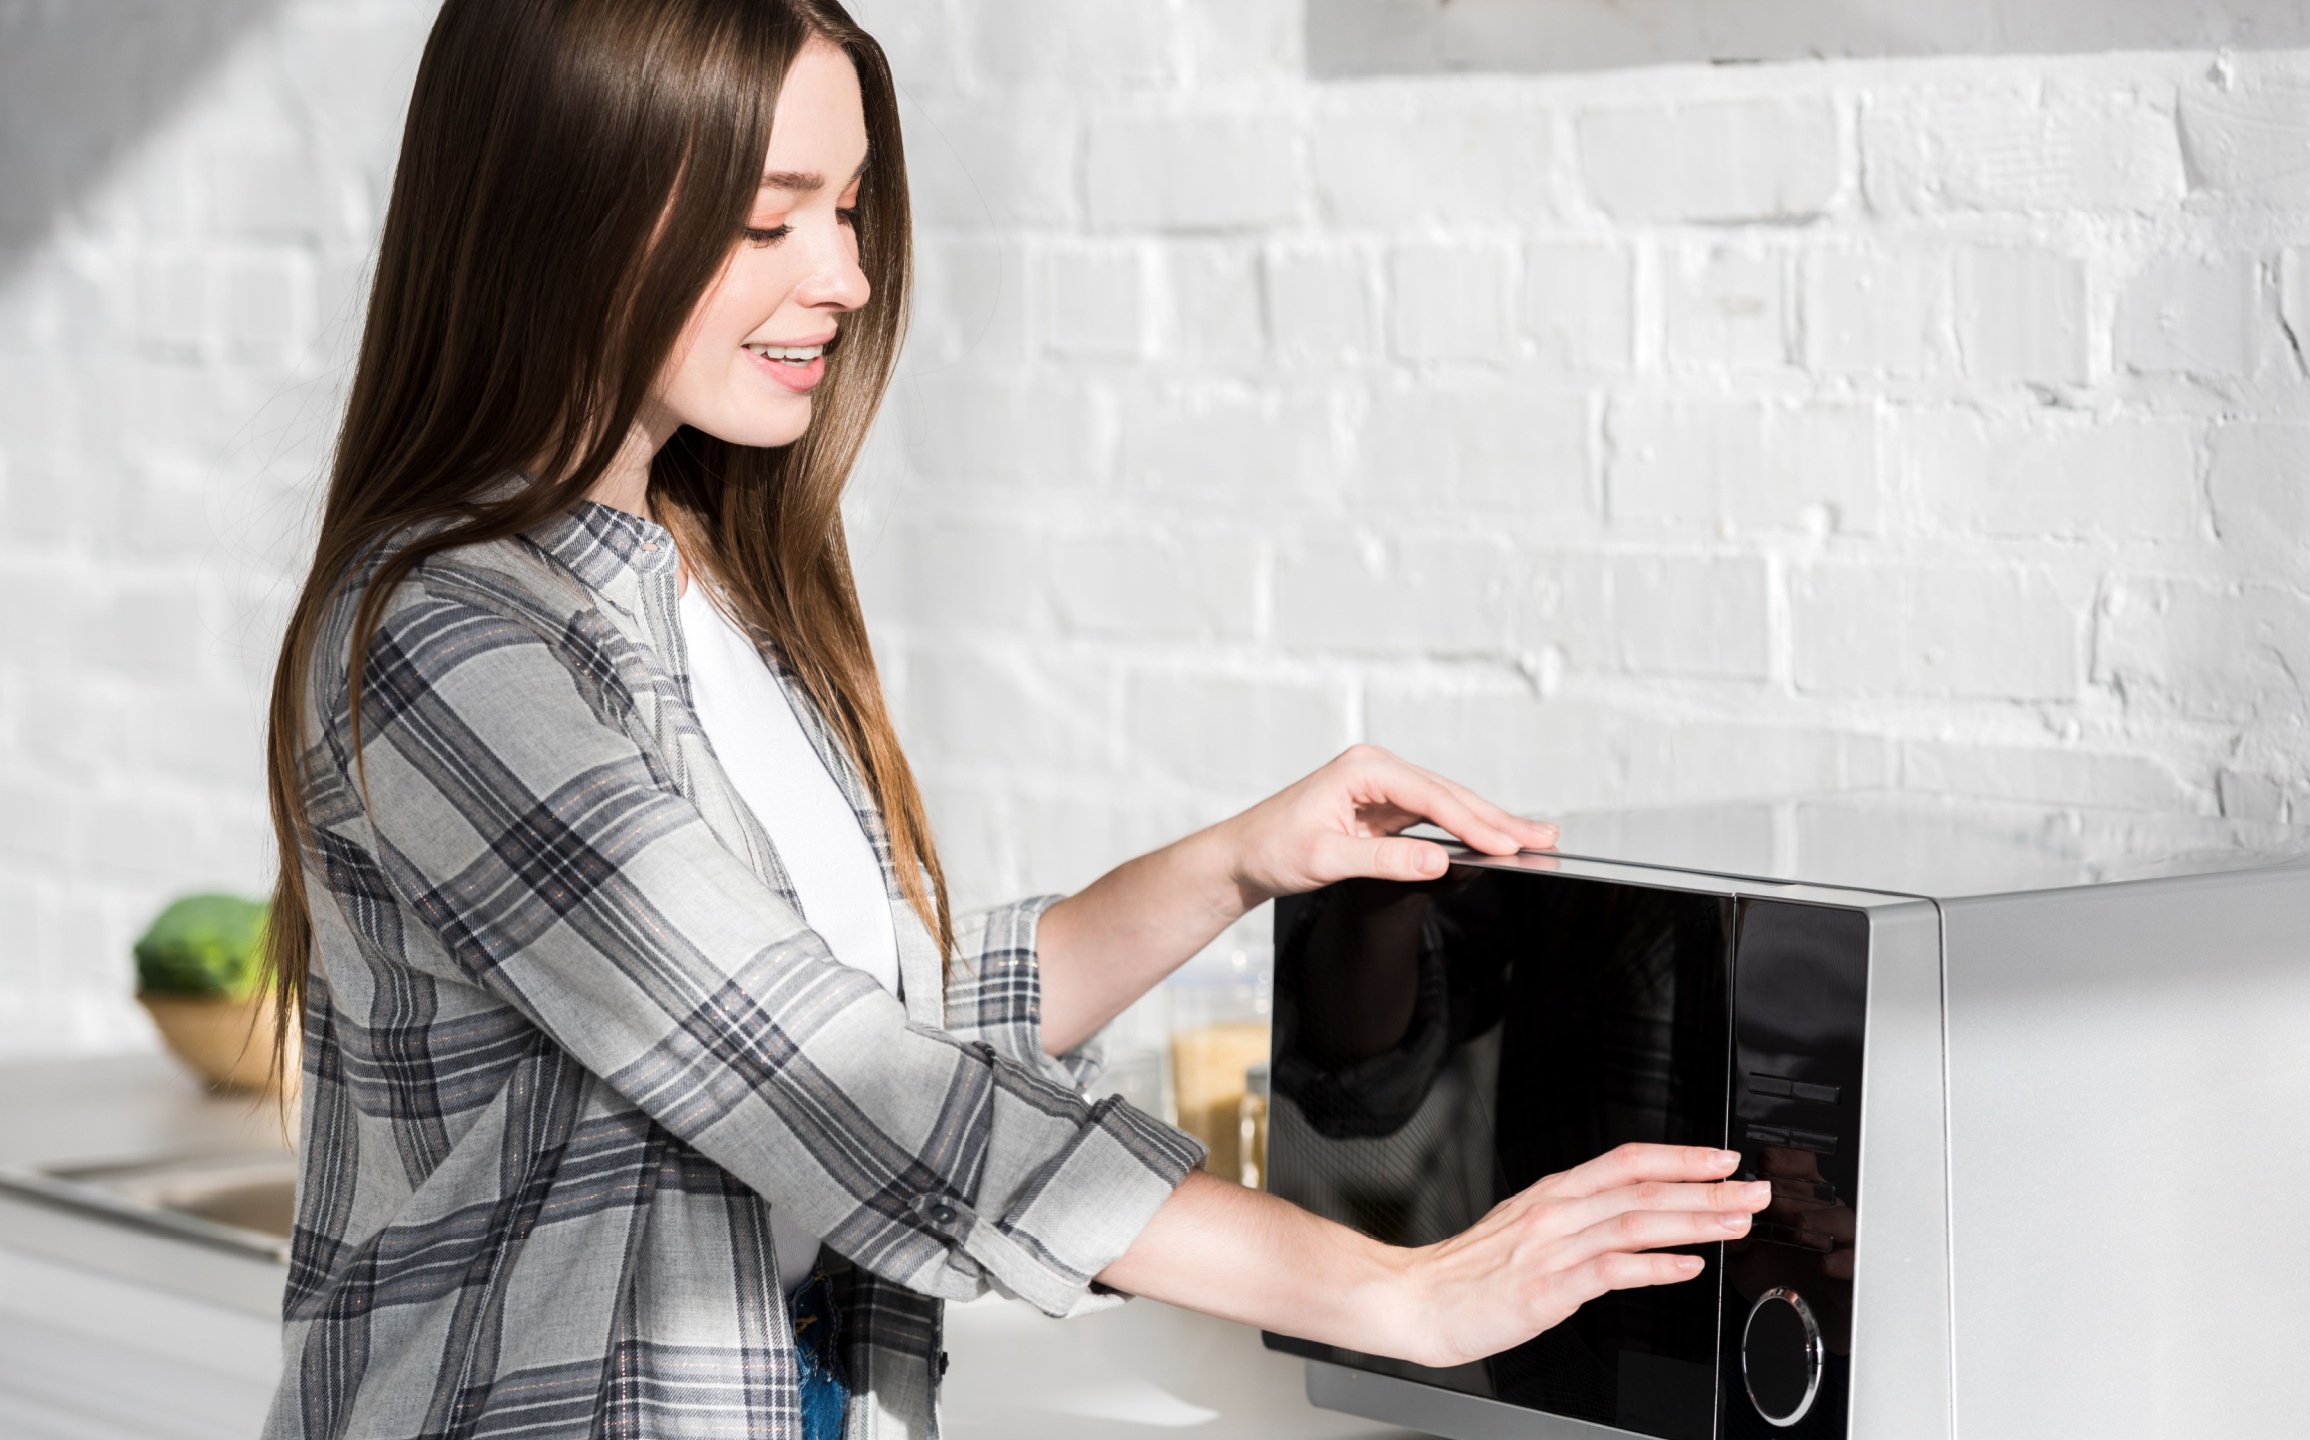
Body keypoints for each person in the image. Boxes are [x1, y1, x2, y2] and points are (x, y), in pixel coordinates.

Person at [256, 2, 1771, 1437]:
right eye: (765, 217)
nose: (843, 276)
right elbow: (833, 1085)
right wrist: (1401, 1291)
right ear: (562, 217)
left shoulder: (708, 585)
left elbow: (881, 1011)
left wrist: (1238, 862)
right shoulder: (449, 646)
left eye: (847, 210)